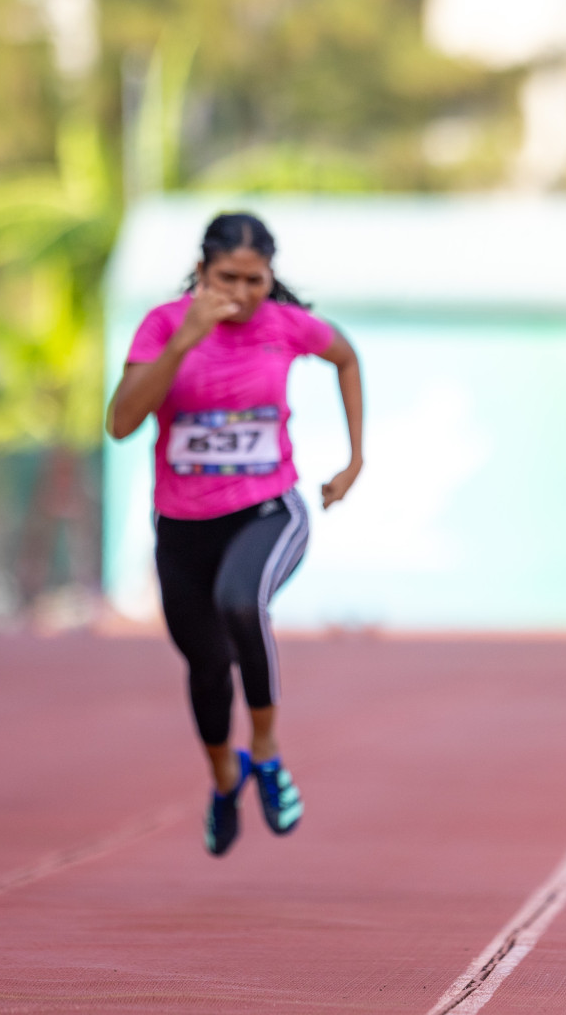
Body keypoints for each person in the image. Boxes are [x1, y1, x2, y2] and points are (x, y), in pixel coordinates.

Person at [106, 213, 364, 857]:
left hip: (268, 510)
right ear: (201, 272)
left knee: (241, 602)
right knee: (205, 664)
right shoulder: (165, 326)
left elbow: (346, 356)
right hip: (183, 525)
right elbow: (121, 422)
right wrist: (184, 341)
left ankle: (268, 752)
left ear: (270, 276)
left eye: (256, 280)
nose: (243, 293)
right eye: (228, 278)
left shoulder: (285, 325)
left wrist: (354, 459)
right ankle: (225, 777)